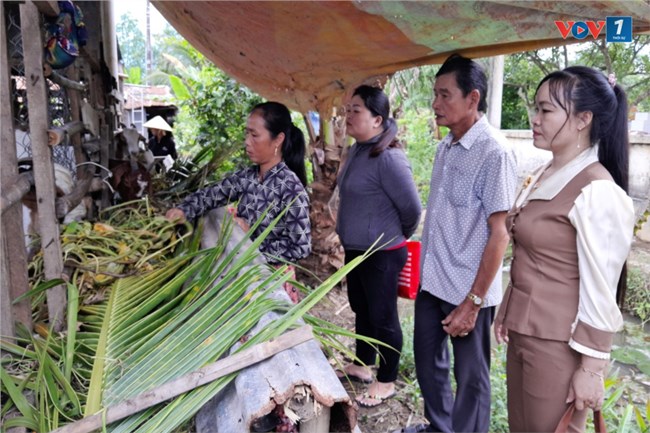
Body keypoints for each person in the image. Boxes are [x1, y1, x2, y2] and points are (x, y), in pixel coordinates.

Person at [494, 67, 635, 432]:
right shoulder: (546, 173)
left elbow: (601, 287)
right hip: (525, 332)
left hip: (559, 344)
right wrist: (508, 307)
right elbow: (532, 255)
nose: (535, 119)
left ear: (583, 119)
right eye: (536, 109)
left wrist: (591, 368)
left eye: (546, 110)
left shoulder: (597, 190)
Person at [401, 54, 517, 433]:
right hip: (433, 280)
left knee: (472, 379)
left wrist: (474, 301)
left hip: (470, 288)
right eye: (435, 94)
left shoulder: (494, 152)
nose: (435, 104)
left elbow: (500, 234)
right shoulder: (445, 148)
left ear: (473, 99)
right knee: (426, 361)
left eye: (445, 95)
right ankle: (441, 426)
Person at [165, 102, 312, 301]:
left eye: (255, 135)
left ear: (278, 139)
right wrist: (183, 210)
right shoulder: (247, 177)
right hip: (239, 272)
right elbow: (212, 195)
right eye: (247, 134)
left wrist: (252, 243)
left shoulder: (292, 189)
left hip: (269, 284)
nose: (247, 142)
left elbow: (301, 247)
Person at [336, 85, 422, 408]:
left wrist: (392, 236)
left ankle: (387, 380)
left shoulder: (389, 158)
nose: (348, 116)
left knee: (384, 316)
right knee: (362, 307)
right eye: (348, 110)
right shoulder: (358, 151)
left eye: (355, 110)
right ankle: (362, 364)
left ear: (377, 119)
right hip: (357, 250)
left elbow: (412, 209)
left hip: (382, 253)